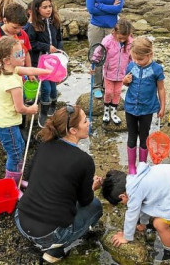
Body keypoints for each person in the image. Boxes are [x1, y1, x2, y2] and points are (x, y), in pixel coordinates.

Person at [14, 105, 103, 263]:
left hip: (21, 219)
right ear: (73, 130)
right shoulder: (84, 161)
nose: (89, 122)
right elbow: (85, 201)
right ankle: (54, 250)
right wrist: (92, 187)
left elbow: (28, 176)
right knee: (96, 206)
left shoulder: (44, 145)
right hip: (48, 234)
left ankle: (48, 243)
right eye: (84, 121)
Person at [102, 163, 170, 261]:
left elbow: (132, 215)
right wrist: (143, 223)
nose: (125, 205)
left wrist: (126, 236)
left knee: (159, 223)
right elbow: (145, 206)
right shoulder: (136, 178)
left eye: (122, 203)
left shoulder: (132, 192)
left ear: (122, 196)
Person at [0, 37, 51, 185]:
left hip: (0, 120)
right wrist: (32, 109)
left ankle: (18, 177)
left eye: (22, 52)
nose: (23, 56)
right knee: (15, 155)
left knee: (19, 147)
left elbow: (29, 70)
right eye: (18, 54)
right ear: (7, 60)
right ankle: (12, 184)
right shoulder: (12, 82)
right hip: (6, 124)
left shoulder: (8, 69)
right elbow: (20, 108)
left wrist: (47, 71)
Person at [123, 36, 165, 174]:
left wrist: (162, 106)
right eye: (135, 58)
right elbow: (126, 83)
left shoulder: (157, 69)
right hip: (130, 107)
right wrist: (125, 81)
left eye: (140, 59)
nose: (137, 62)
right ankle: (131, 166)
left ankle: (142, 164)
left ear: (150, 54)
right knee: (131, 135)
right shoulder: (131, 66)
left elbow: (161, 89)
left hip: (147, 109)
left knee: (144, 135)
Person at [86, 0, 124, 99]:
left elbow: (118, 8)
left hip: (111, 28)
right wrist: (110, 7)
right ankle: (96, 86)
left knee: (111, 57)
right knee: (95, 56)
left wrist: (100, 5)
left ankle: (107, 84)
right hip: (96, 27)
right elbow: (91, 9)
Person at [25, 0, 63, 127]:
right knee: (45, 87)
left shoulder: (54, 22)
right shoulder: (32, 26)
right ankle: (44, 112)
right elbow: (30, 43)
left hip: (54, 61)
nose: (48, 10)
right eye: (44, 7)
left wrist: (59, 51)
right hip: (40, 61)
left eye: (50, 6)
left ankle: (53, 104)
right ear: (36, 9)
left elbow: (58, 38)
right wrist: (46, 47)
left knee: (53, 87)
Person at [98, 18, 133, 125]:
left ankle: (114, 113)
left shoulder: (130, 42)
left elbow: (131, 56)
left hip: (122, 73)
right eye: (120, 38)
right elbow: (99, 52)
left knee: (117, 92)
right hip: (109, 72)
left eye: (125, 38)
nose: (122, 40)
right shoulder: (107, 40)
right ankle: (106, 112)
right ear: (115, 31)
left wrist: (132, 68)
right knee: (108, 92)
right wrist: (94, 62)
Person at [0, 2, 32, 69]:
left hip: (21, 74)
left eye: (21, 27)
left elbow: (26, 53)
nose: (18, 30)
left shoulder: (23, 34)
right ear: (5, 20)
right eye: (15, 27)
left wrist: (30, 71)